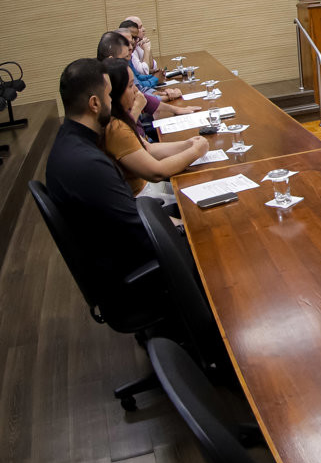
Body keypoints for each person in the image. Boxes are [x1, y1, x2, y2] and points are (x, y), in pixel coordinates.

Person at [44, 59, 157, 298]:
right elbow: (142, 233)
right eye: (108, 96)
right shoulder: (87, 164)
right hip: (134, 271)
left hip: (116, 254)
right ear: (94, 103)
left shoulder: (70, 142)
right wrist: (186, 226)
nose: (112, 101)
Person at [101, 58, 208, 193]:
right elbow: (157, 172)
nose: (136, 91)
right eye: (130, 86)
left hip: (149, 189)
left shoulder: (119, 118)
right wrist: (195, 152)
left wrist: (187, 144)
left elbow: (149, 149)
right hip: (143, 196)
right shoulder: (115, 128)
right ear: (114, 92)